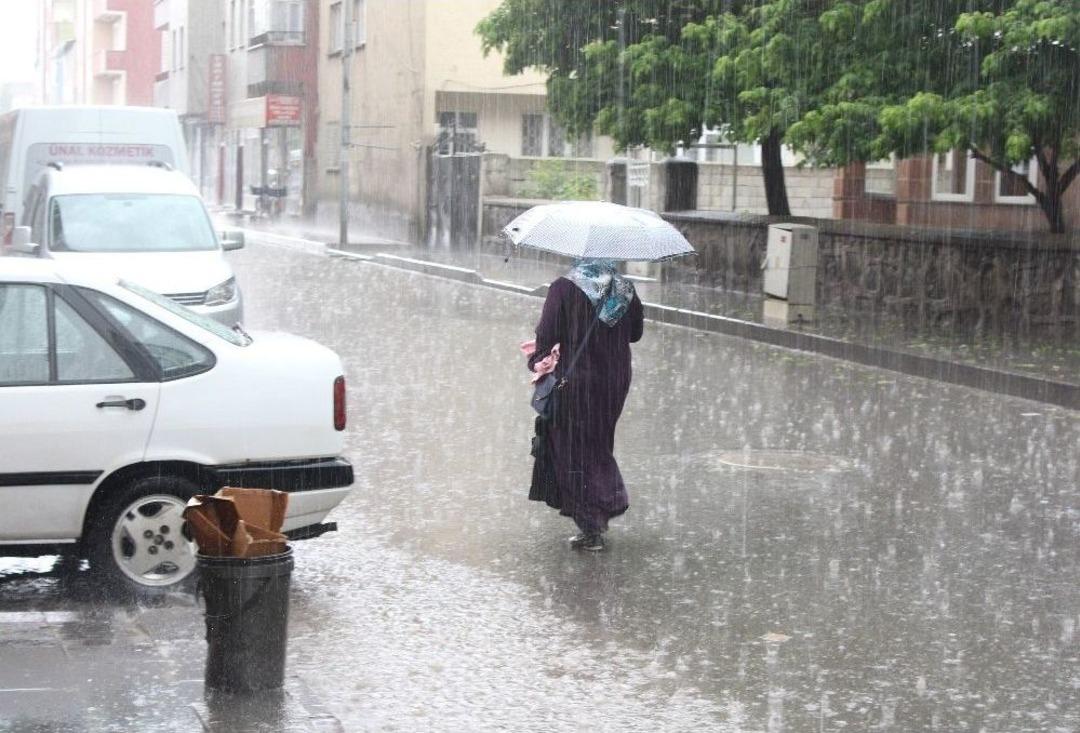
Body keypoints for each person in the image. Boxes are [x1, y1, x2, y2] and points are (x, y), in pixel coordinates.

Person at [526, 258, 644, 551]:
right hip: (614, 379)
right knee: (597, 441)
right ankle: (599, 508)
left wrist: (537, 358)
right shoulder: (624, 288)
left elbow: (547, 332)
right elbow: (635, 334)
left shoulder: (564, 287)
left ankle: (597, 515)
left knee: (572, 448)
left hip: (577, 381)